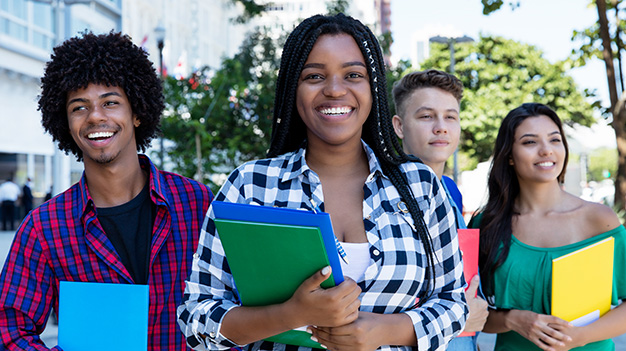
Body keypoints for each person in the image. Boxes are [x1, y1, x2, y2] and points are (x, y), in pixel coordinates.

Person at [177, 13, 467, 351]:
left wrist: (386, 330)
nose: (334, 89)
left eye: (353, 75)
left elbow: (453, 302)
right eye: (314, 76)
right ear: (292, 89)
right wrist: (290, 314)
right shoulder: (251, 186)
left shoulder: (419, 185)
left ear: (373, 87)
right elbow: (198, 318)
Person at [0, 32, 213, 350]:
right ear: (66, 123)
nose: (95, 116)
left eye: (110, 102)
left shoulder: (196, 203)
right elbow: (10, 331)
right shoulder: (44, 228)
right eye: (78, 107)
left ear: (137, 112)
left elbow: (235, 305)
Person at [470, 103, 626, 351]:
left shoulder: (600, 220)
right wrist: (512, 320)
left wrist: (581, 336)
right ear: (509, 155)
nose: (546, 150)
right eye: (530, 142)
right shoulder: (486, 224)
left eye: (555, 140)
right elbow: (468, 313)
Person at [391, 69, 489, 351]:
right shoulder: (381, 194)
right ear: (399, 126)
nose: (441, 127)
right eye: (426, 116)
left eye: (450, 117)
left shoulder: (450, 190)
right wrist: (458, 319)